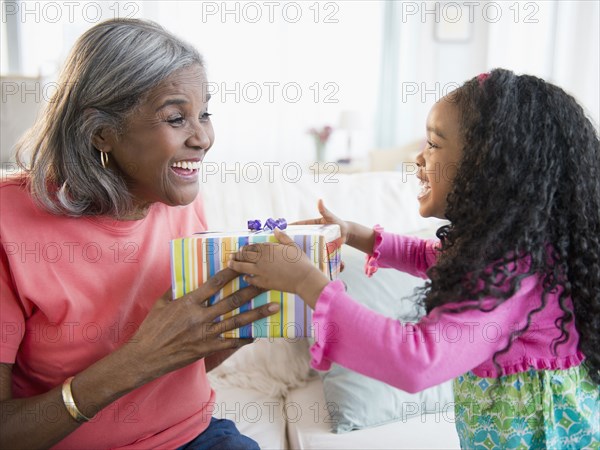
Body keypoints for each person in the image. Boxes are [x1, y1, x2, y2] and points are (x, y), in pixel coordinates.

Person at [229, 69, 600, 449]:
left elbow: (416, 360)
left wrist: (305, 282)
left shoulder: (510, 276)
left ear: (491, 168)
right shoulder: (501, 254)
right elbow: (431, 256)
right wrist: (356, 234)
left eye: (435, 145)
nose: (418, 157)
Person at [0, 19, 280, 449]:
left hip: (194, 437)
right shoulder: (8, 223)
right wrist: (136, 361)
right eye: (176, 117)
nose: (203, 137)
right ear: (100, 134)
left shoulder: (178, 197)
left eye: (204, 113)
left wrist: (255, 317)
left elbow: (178, 365)